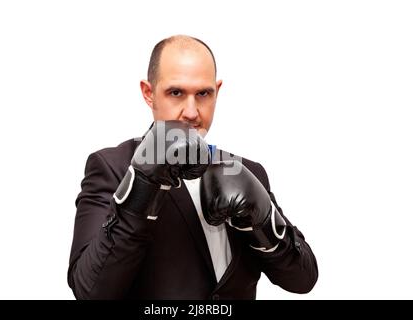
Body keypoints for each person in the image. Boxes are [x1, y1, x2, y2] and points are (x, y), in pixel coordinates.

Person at [67, 35, 318, 299]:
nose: (191, 111)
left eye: (203, 94)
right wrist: (142, 188)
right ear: (148, 93)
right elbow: (90, 291)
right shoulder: (112, 167)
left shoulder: (245, 171)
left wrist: (265, 224)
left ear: (217, 91)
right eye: (176, 92)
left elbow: (302, 280)